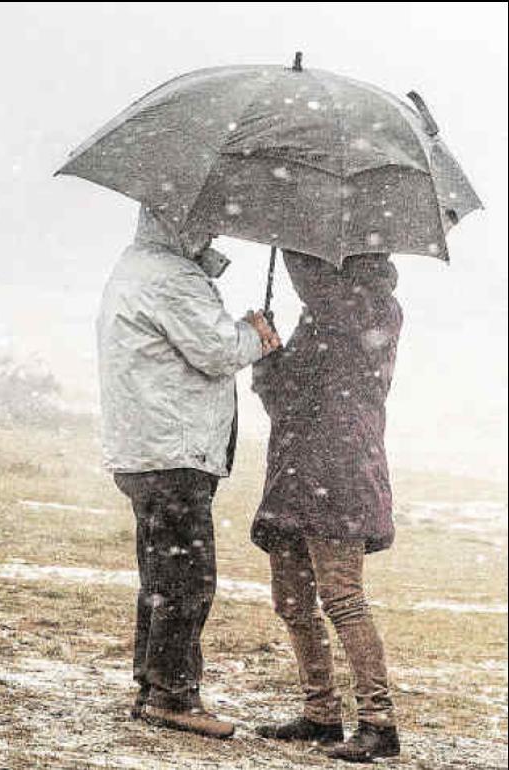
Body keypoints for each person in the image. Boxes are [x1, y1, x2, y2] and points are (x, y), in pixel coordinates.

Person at [97, 205, 279, 739]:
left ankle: (154, 685)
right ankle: (172, 694)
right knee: (187, 580)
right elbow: (217, 350)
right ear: (180, 221)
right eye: (206, 222)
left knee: (161, 576)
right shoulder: (171, 277)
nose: (215, 229)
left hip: (147, 448)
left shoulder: (138, 265)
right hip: (173, 450)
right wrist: (256, 333)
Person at [250, 251, 402, 762]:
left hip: (336, 474)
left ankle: (378, 723)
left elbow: (303, 391)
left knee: (341, 596)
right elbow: (286, 398)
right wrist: (270, 353)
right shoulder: (327, 311)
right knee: (292, 600)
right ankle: (320, 712)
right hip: (301, 472)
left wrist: (271, 353)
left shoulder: (357, 308)